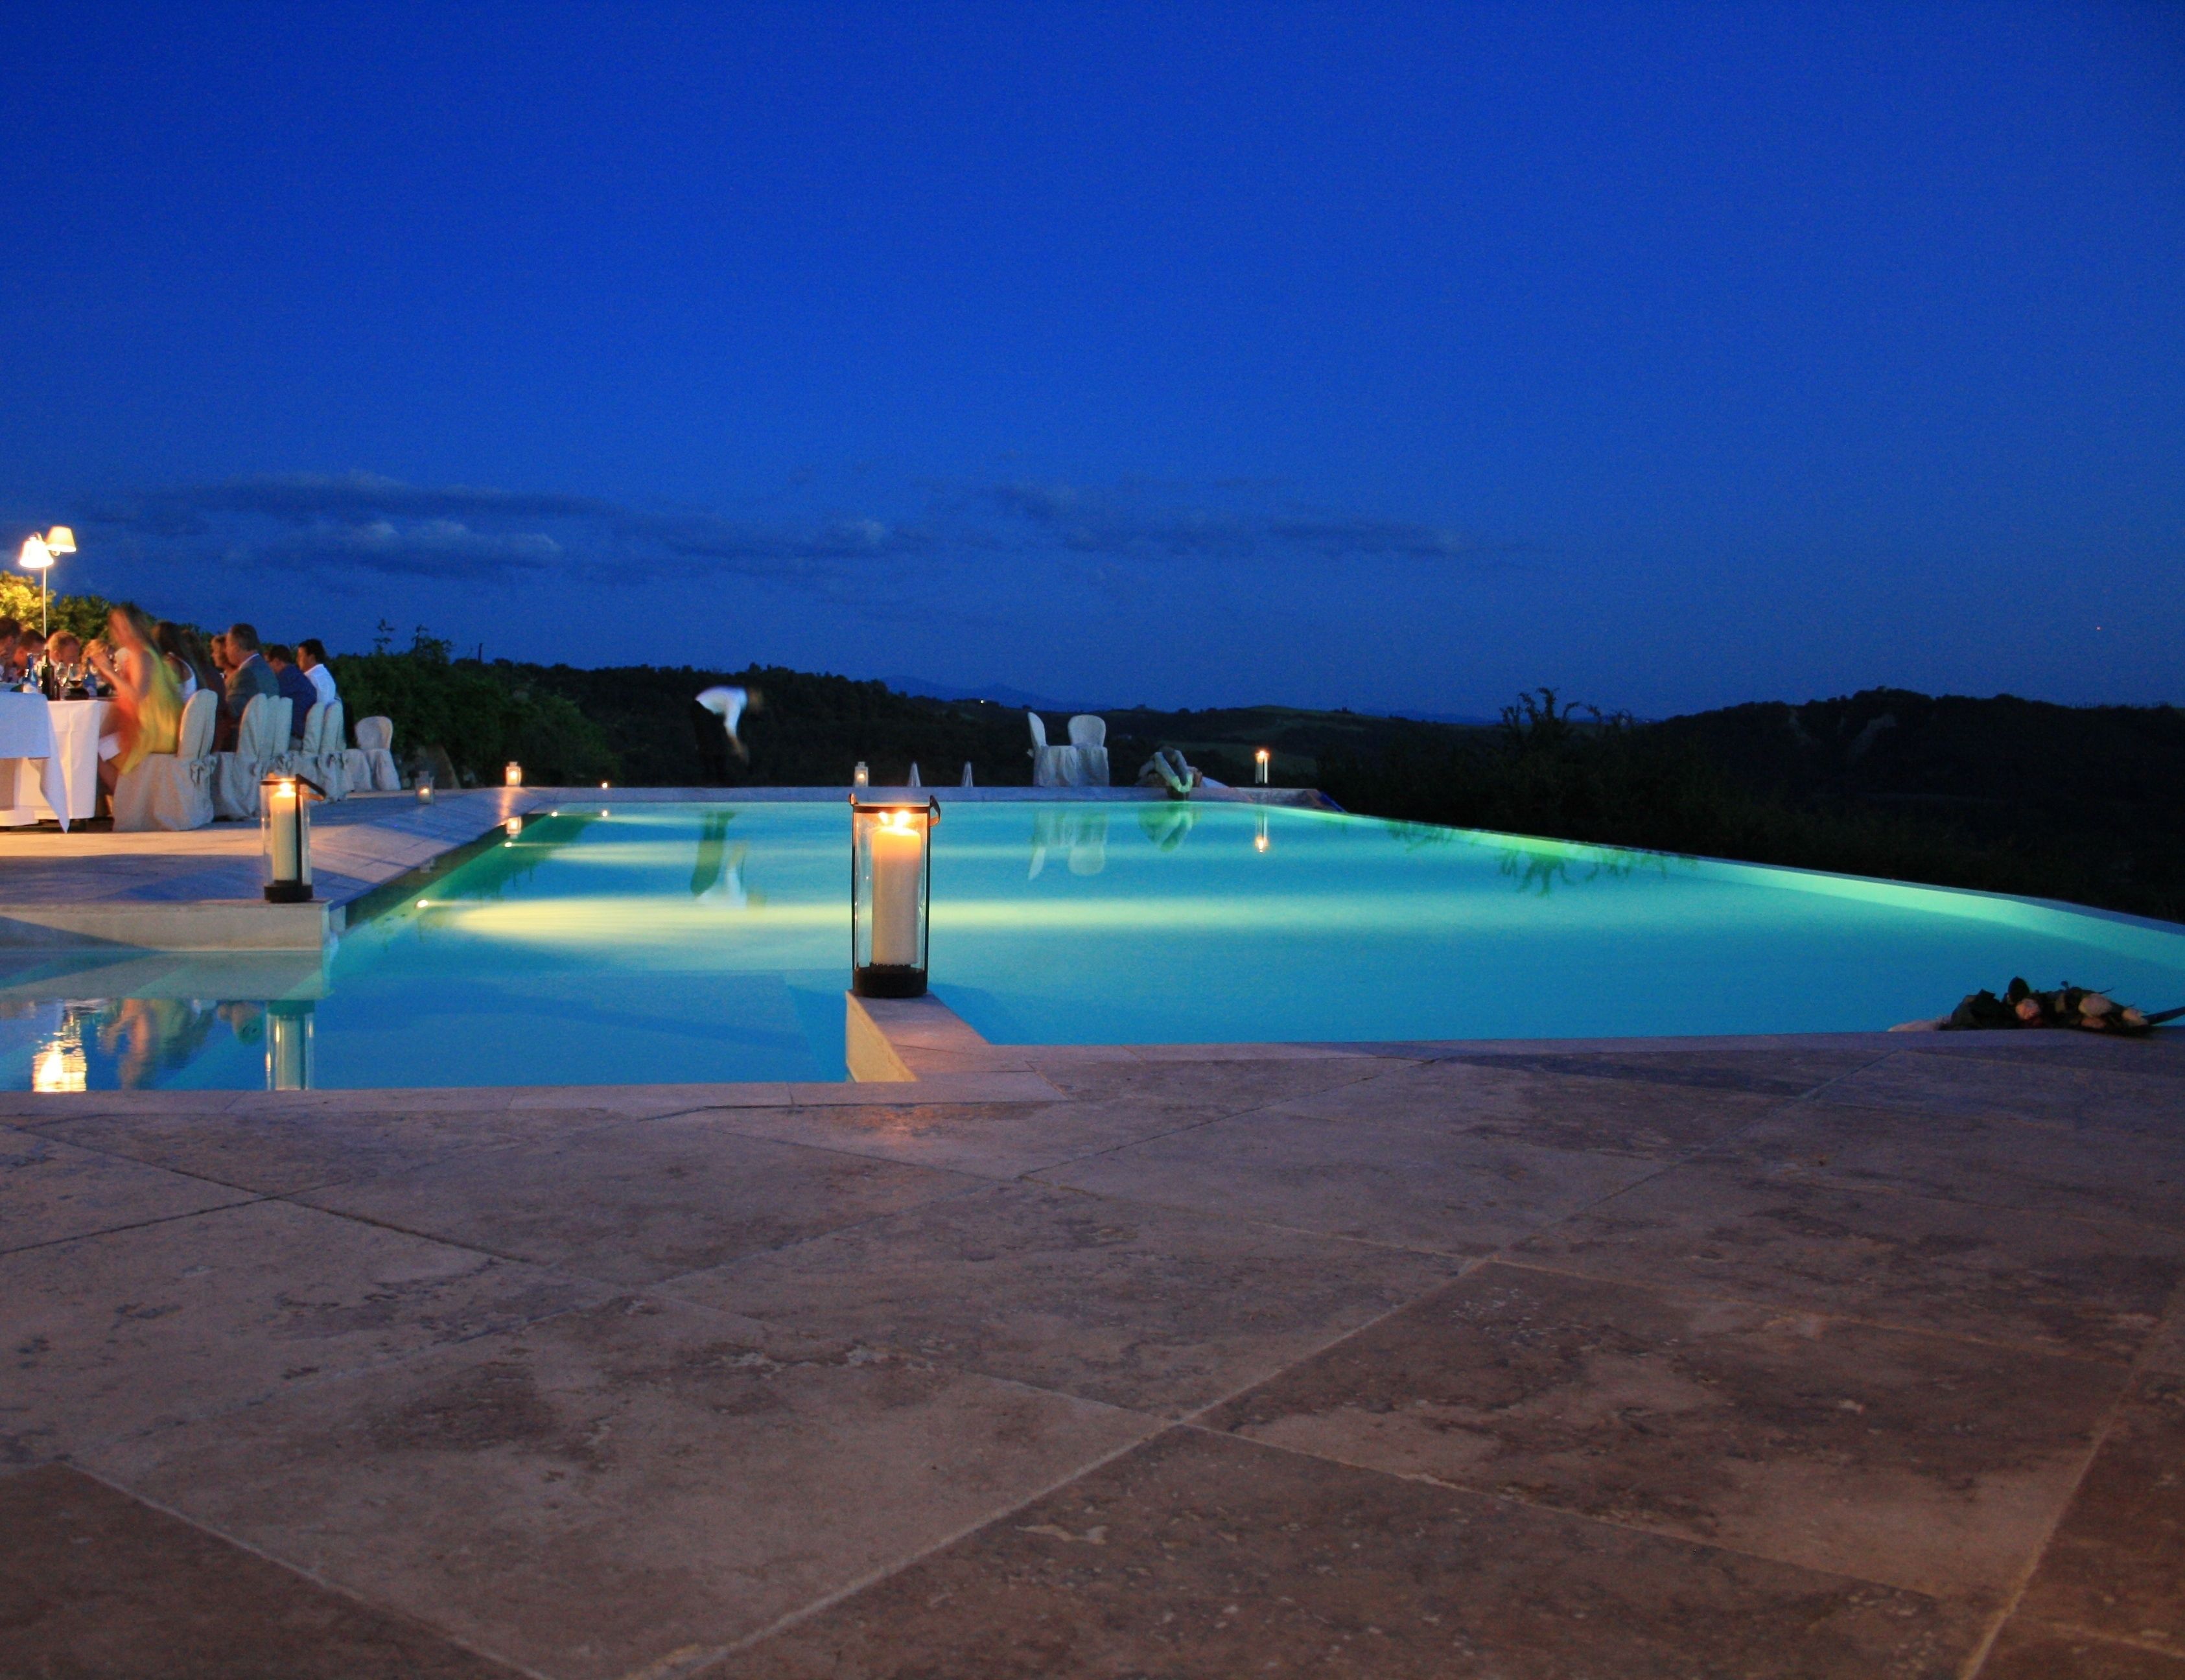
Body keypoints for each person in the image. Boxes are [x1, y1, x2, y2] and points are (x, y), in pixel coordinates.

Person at [86, 604, 181, 793]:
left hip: (152, 731)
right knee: (100, 742)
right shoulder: (150, 653)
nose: (119, 632)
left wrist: (108, 671)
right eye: (116, 626)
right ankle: (130, 801)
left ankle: (125, 804)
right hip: (163, 726)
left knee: (93, 750)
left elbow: (137, 696)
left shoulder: (141, 654)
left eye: (123, 626)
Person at [217, 623, 280, 753]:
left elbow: (231, 711)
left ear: (236, 647)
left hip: (242, 744)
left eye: (228, 646)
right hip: (264, 741)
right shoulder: (265, 669)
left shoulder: (247, 673)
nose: (225, 650)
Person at [692, 684, 762, 784]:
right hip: (702, 709)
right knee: (712, 747)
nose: (758, 704)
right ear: (751, 696)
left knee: (716, 745)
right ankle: (713, 780)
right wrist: (739, 746)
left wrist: (737, 746)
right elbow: (729, 727)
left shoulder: (738, 695)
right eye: (757, 700)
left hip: (706, 710)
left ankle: (718, 778)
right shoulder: (736, 702)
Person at [264, 645, 319, 741]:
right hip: (304, 735)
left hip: (293, 737)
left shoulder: (285, 678)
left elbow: (267, 701)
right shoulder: (297, 676)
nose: (266, 668)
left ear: (277, 662)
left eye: (267, 663)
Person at [295, 639, 338, 709]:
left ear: (311, 658)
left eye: (300, 656)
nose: (297, 660)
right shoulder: (327, 676)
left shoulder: (309, 679)